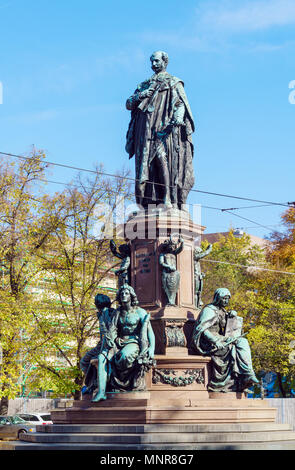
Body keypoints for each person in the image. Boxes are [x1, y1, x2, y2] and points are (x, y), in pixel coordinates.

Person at [125, 51, 195, 210]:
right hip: (145, 131)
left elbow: (181, 103)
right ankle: (146, 203)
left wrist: (178, 117)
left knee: (163, 160)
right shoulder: (144, 85)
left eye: (156, 61)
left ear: (165, 62)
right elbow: (128, 103)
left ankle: (168, 198)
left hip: (164, 130)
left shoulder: (173, 82)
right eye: (152, 62)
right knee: (145, 168)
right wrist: (141, 95)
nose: (153, 64)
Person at [92, 285, 155, 402]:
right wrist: (110, 343)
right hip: (118, 342)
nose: (123, 295)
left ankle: (124, 384)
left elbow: (150, 332)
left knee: (124, 356)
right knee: (101, 358)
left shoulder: (140, 312)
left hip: (133, 342)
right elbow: (112, 329)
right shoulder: (117, 312)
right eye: (121, 294)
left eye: (126, 293)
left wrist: (151, 348)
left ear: (131, 296)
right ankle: (101, 392)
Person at [192, 288, 259, 393]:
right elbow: (201, 329)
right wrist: (215, 341)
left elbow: (225, 326)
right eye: (224, 299)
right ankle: (237, 382)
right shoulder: (209, 310)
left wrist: (231, 315)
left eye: (228, 299)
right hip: (209, 341)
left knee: (242, 341)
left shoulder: (221, 310)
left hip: (220, 338)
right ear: (218, 298)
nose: (226, 301)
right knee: (231, 348)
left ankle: (248, 375)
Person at [193, 243, 212, 308]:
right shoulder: (194, 257)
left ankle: (198, 305)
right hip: (195, 278)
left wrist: (201, 274)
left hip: (199, 278)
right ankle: (195, 306)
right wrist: (209, 250)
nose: (199, 254)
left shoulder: (197, 261)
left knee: (199, 293)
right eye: (199, 252)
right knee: (195, 293)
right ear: (196, 252)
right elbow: (203, 254)